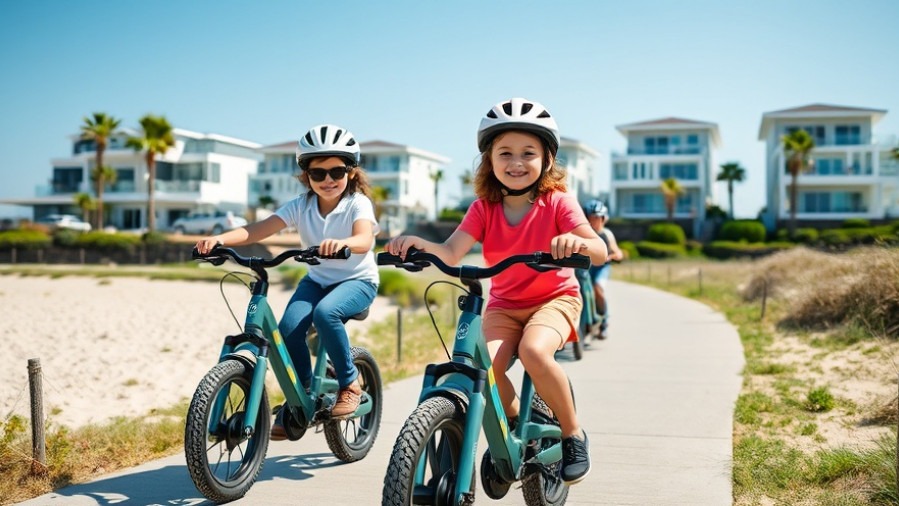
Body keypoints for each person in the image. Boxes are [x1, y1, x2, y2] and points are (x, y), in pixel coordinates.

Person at [386, 97, 608, 484]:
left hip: (554, 300)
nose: (516, 162)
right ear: (489, 160)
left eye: (528, 153)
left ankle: (573, 433)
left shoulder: (558, 202)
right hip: (504, 305)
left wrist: (576, 242)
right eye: (505, 152)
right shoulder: (483, 208)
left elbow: (601, 250)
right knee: (480, 368)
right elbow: (451, 251)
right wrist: (419, 244)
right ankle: (513, 427)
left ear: (547, 160)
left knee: (534, 351)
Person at [194, 124, 380, 436]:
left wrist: (344, 244)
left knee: (326, 313)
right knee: (287, 331)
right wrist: (220, 239)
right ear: (306, 176)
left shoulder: (357, 203)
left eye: (336, 171)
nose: (328, 180)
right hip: (318, 280)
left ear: (350, 171)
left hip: (357, 281)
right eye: (317, 174)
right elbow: (259, 229)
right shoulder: (301, 205)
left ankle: (350, 384)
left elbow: (364, 238)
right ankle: (302, 397)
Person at [583, 199, 624, 339]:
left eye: (597, 217)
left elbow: (618, 252)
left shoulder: (606, 234)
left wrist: (612, 256)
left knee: (597, 288)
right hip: (585, 268)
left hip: (601, 268)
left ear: (603, 218)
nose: (595, 221)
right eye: (592, 217)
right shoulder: (582, 233)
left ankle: (604, 322)